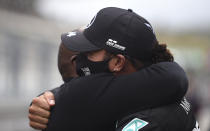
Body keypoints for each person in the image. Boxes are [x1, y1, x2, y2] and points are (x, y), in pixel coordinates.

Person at [29, 7, 199, 131]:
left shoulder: (149, 122)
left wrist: (58, 107)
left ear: (118, 62)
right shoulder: (152, 95)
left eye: (89, 51)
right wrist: (50, 100)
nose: (79, 58)